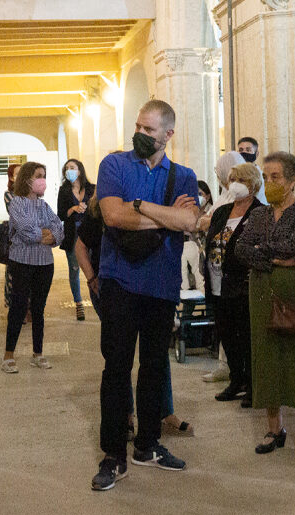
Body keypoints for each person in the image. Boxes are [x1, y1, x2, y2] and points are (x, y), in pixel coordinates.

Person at [91, 99, 200, 491]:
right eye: (138, 126)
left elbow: (190, 220)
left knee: (155, 366)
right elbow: (113, 216)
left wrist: (137, 205)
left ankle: (148, 444)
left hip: (161, 285)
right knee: (116, 367)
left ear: (168, 135)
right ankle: (114, 453)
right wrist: (162, 213)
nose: (140, 134)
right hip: (119, 280)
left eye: (149, 130)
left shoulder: (184, 176)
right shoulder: (115, 165)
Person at [76, 194, 194, 438]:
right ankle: (125, 417)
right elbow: (79, 246)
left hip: (149, 283)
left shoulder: (147, 202)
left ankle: (163, 413)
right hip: (111, 286)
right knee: (120, 356)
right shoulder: (101, 208)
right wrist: (91, 278)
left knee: (156, 355)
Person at [235, 151, 295, 458]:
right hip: (261, 289)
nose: (270, 183)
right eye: (266, 177)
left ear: (293, 180)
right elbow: (241, 249)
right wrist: (275, 259)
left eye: (276, 177)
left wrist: (264, 251)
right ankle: (275, 427)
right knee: (266, 356)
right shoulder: (258, 214)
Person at [205, 163, 264, 407]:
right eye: (232, 179)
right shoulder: (222, 212)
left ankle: (252, 385)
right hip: (217, 282)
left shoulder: (260, 212)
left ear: (252, 184)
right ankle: (236, 379)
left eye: (240, 179)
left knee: (246, 337)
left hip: (242, 284)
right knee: (227, 335)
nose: (234, 183)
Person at [2, 162, 64, 374]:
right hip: (22, 262)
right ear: (28, 179)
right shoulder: (16, 203)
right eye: (39, 175)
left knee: (39, 308)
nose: (42, 180)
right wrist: (45, 234)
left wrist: (50, 235)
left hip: (44, 264)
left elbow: (58, 228)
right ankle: (8, 355)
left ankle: (38, 353)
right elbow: (26, 230)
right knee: (18, 307)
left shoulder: (44, 205)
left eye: (44, 176)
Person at [56, 159, 93, 321]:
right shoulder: (64, 190)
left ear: (80, 170)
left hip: (91, 234)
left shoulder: (92, 189)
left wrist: (88, 208)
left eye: (72, 168)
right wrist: (73, 208)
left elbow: (100, 209)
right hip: (72, 234)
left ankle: (97, 296)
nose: (69, 171)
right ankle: (78, 303)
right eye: (66, 168)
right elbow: (60, 215)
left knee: (94, 266)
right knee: (74, 269)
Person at [3, 163, 21, 311]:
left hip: (33, 241)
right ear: (11, 177)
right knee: (14, 275)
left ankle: (28, 308)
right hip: (16, 240)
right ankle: (14, 308)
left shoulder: (34, 193)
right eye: (18, 173)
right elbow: (15, 213)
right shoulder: (9, 194)